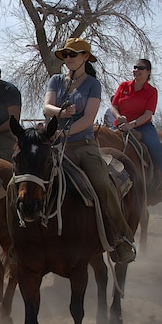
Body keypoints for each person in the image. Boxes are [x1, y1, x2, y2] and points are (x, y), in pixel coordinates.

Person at [44, 38, 137, 264]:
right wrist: (60, 112)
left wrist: (64, 132)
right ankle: (19, 241)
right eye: (65, 55)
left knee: (103, 185)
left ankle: (123, 236)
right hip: (55, 143)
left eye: (73, 54)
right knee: (27, 179)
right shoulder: (56, 80)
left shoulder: (93, 84)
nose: (68, 59)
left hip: (82, 144)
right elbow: (46, 107)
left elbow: (88, 120)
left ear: (85, 57)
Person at [110, 58, 162, 205]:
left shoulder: (151, 91)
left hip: (142, 126)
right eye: (135, 67)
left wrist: (132, 125)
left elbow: (148, 114)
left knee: (157, 148)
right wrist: (118, 117)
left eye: (140, 68)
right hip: (120, 125)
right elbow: (113, 106)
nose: (136, 70)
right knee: (103, 143)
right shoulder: (123, 86)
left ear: (148, 72)